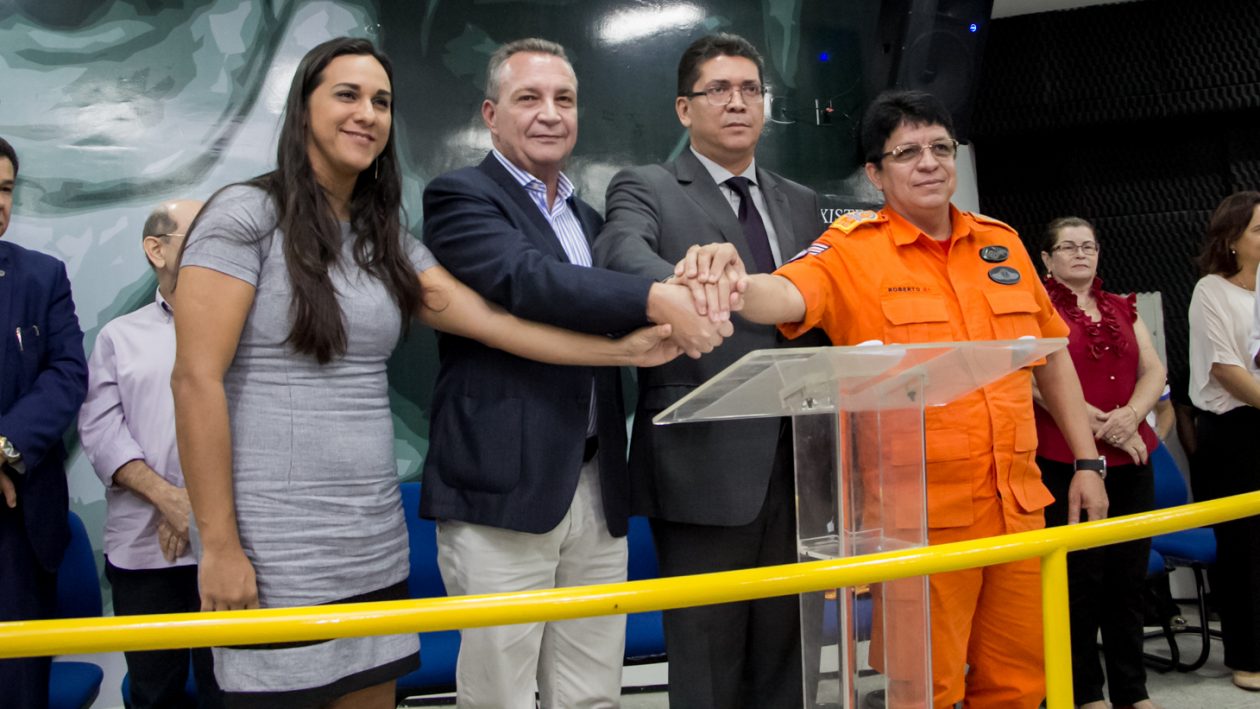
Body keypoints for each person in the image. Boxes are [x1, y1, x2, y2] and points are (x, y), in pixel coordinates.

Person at [172, 37, 681, 709]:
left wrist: (621, 353)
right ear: (302, 112)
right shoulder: (244, 215)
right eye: (347, 95)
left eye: (381, 101)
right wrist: (219, 544)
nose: (367, 114)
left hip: (371, 532)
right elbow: (194, 381)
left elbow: (494, 324)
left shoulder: (387, 242)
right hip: (274, 539)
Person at [693, 90, 1108, 708]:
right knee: (927, 690)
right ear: (874, 173)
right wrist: (730, 281)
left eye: (941, 148)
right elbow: (783, 295)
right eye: (907, 152)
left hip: (1017, 507)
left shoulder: (1003, 244)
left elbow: (1050, 357)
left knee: (1023, 684)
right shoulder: (851, 250)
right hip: (919, 521)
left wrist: (1086, 461)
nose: (929, 163)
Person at [419, 37, 729, 709]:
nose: (550, 113)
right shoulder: (459, 196)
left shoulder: (591, 220)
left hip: (597, 486)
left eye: (564, 99)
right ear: (491, 114)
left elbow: (620, 299)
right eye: (528, 98)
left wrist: (699, 276)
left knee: (593, 690)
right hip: (502, 487)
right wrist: (656, 300)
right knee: (500, 691)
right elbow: (527, 281)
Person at [592, 32, 829, 709]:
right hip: (703, 465)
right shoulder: (649, 186)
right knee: (708, 664)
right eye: (718, 90)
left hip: (800, 464)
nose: (736, 102)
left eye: (750, 89)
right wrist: (682, 285)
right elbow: (618, 253)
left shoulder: (801, 200)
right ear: (683, 108)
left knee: (790, 656)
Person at [77, 199, 223, 709]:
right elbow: (99, 430)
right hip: (143, 551)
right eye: (200, 234)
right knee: (153, 692)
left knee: (229, 690)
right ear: (155, 250)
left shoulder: (244, 332)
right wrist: (168, 498)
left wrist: (195, 507)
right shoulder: (120, 337)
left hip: (227, 547)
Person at [1035, 216, 1164, 709]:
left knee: (1127, 580)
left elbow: (1155, 369)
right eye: (1067, 247)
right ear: (1046, 260)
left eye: (1088, 246)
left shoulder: (1122, 307)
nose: (1080, 254)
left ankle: (1133, 690)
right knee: (1079, 582)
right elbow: (1029, 379)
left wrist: (1130, 416)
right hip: (1064, 459)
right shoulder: (1035, 308)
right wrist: (1091, 422)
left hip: (1133, 456)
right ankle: (1086, 690)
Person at [0, 136, 90, 709]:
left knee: (18, 692)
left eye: (4, 189)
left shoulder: (42, 277)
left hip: (17, 524)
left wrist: (4, 447)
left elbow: (66, 375)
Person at [1190, 190, 1260, 693]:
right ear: (1233, 240)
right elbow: (1225, 369)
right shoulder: (1211, 291)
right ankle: (1247, 655)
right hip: (1234, 433)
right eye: (1259, 229)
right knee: (1243, 550)